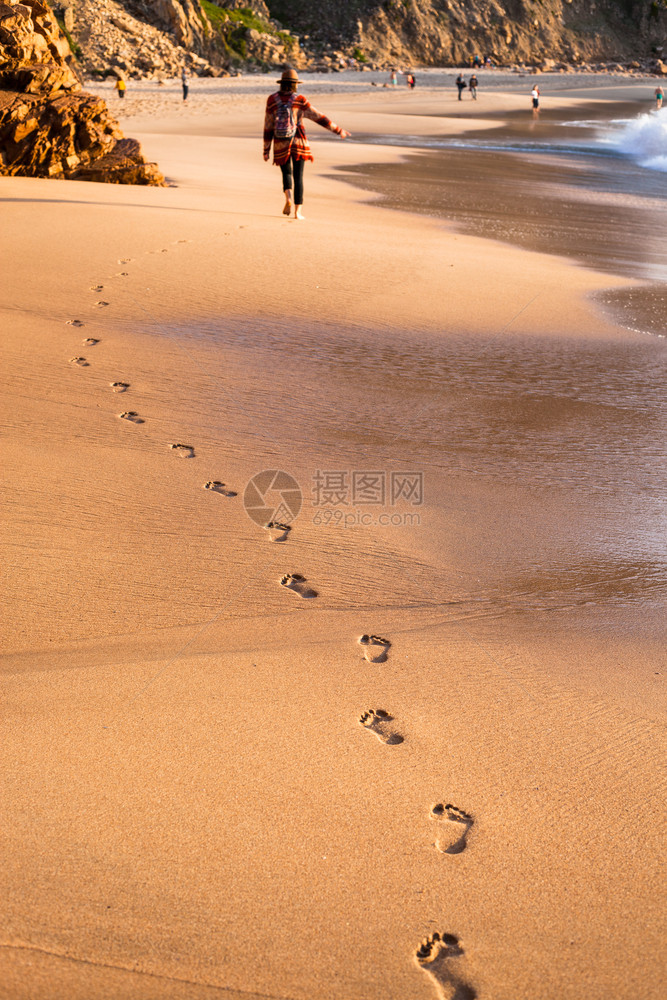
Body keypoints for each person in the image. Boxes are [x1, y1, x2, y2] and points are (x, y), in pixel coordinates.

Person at [263, 68, 351, 220]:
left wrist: (266, 149)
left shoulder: (272, 100)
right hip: (299, 140)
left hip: (280, 141)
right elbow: (319, 117)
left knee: (287, 173)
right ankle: (298, 213)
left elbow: (268, 125)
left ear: (282, 83)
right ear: (295, 84)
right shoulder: (300, 100)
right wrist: (338, 130)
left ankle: (288, 198)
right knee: (299, 176)